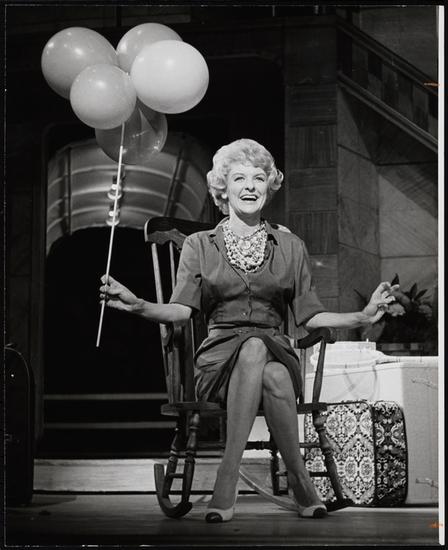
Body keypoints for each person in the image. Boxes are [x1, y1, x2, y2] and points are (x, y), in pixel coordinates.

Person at [99, 138, 399, 522]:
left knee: (271, 364)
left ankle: (244, 479)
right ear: (223, 189)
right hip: (218, 361)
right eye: (239, 178)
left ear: (269, 187)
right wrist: (139, 305)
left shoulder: (290, 246)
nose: (250, 186)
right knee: (260, 355)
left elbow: (310, 316)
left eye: (259, 177)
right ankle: (287, 481)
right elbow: (180, 310)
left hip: (276, 351)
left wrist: (362, 316)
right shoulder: (199, 245)